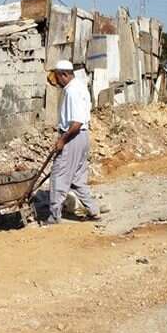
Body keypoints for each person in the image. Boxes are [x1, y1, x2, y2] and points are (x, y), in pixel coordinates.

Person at [45, 60, 101, 225]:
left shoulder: (71, 91)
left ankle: (54, 216)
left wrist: (62, 140)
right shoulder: (80, 86)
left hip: (73, 136)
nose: (56, 82)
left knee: (58, 176)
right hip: (82, 137)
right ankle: (93, 210)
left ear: (64, 75)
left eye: (57, 77)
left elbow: (76, 123)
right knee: (77, 179)